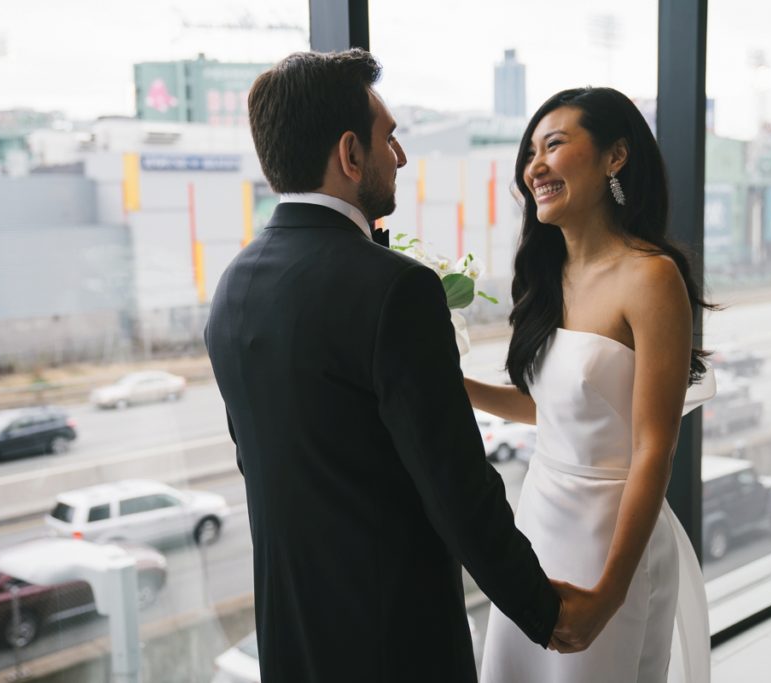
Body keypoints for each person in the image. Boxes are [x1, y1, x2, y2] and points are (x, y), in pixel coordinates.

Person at [204, 50, 584, 683]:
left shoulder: (232, 287)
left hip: (291, 632)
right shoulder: (395, 289)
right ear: (351, 155)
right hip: (392, 635)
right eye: (390, 138)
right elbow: (456, 481)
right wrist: (545, 613)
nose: (400, 158)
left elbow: (261, 465)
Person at [472, 87, 714, 682]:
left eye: (554, 145)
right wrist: (450, 383)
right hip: (539, 520)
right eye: (531, 152)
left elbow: (654, 446)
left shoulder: (651, 278)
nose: (535, 166)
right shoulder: (548, 275)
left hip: (611, 539)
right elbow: (548, 409)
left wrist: (609, 591)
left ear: (615, 157)